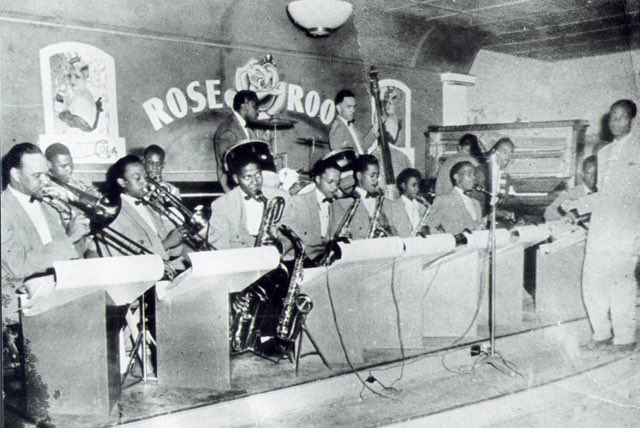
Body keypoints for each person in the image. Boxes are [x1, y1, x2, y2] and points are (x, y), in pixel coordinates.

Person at [562, 99, 640, 352]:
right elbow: (604, 195)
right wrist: (578, 206)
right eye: (612, 117)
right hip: (600, 228)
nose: (614, 121)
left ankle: (625, 338)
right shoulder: (603, 153)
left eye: (621, 117)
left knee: (621, 283)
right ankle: (601, 334)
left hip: (626, 230)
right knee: (592, 280)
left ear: (631, 120)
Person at [1, 143, 90, 322]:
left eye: (46, 174)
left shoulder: (49, 205)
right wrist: (70, 238)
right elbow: (18, 266)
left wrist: (72, 222)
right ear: (16, 174)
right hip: (18, 311)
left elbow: (71, 256)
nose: (46, 181)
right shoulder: (3, 209)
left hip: (58, 302)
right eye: (37, 175)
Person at [98, 155, 185, 273]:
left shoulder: (149, 206)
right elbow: (125, 263)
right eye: (138, 178)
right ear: (122, 182)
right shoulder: (114, 214)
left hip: (163, 272)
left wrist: (176, 233)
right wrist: (167, 243)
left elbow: (174, 252)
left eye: (145, 177)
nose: (145, 182)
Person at [208, 152, 289, 249]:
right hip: (238, 256)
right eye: (247, 177)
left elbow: (294, 231)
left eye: (258, 175)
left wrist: (279, 247)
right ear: (236, 179)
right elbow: (218, 246)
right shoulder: (221, 205)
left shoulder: (281, 196)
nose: (255, 182)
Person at [281, 158, 341, 262]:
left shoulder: (337, 203)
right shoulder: (297, 201)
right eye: (330, 182)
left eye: (338, 182)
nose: (335, 187)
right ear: (318, 179)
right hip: (302, 260)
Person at [331, 154, 394, 240]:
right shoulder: (340, 204)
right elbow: (336, 240)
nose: (376, 180)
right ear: (359, 176)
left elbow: (398, 236)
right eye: (372, 175)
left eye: (377, 176)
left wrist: (387, 226)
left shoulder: (384, 202)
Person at [213, 90, 259, 192]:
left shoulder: (245, 128)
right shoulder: (228, 130)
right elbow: (226, 169)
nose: (257, 110)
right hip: (236, 189)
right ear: (244, 105)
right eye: (254, 106)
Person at [425, 161, 485, 235]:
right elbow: (430, 228)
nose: (474, 178)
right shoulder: (443, 200)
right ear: (456, 177)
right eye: (469, 174)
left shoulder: (475, 203)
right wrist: (449, 239)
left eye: (473, 174)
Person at [544, 156, 597, 222]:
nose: (593, 177)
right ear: (582, 174)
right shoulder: (571, 193)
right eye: (589, 173)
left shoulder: (606, 193)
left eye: (596, 173)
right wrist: (564, 212)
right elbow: (548, 214)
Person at [328, 89, 376, 154]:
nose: (353, 110)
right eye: (349, 107)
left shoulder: (351, 125)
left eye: (354, 106)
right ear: (338, 108)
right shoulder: (338, 128)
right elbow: (339, 153)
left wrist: (374, 129)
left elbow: (362, 146)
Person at [388, 168, 429, 238]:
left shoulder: (423, 206)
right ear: (403, 186)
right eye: (414, 185)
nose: (417, 189)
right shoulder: (393, 207)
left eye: (418, 185)